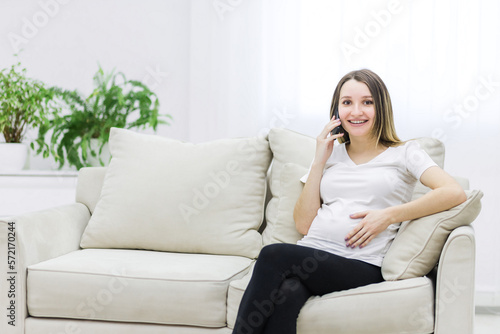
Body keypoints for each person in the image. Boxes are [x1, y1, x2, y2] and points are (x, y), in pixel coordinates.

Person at [232, 69, 467, 334]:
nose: (356, 111)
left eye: (367, 102)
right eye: (347, 103)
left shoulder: (405, 154)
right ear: (337, 111)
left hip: (363, 263)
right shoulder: (329, 156)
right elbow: (304, 224)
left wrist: (389, 215)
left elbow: (453, 192)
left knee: (272, 254)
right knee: (288, 293)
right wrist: (319, 160)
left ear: (382, 108)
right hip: (314, 254)